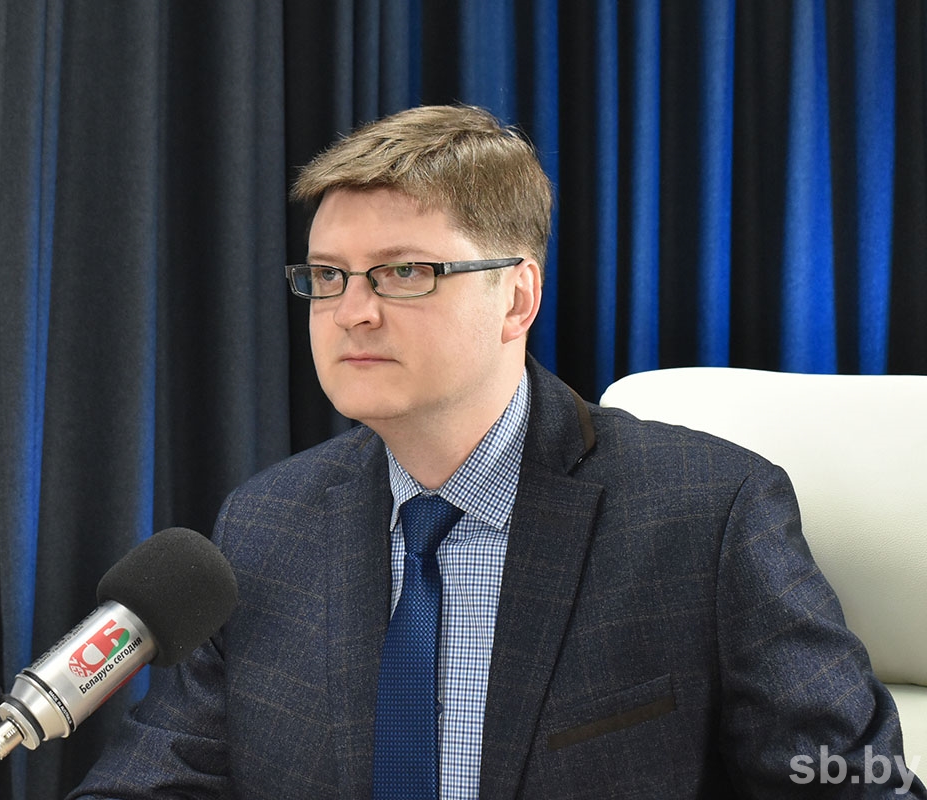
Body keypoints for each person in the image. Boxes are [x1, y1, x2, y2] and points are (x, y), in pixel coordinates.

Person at [69, 105, 924, 798]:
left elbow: (859, 784)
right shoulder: (264, 526)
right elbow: (158, 778)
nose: (351, 311)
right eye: (327, 275)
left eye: (405, 272)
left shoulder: (708, 516)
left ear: (517, 297)